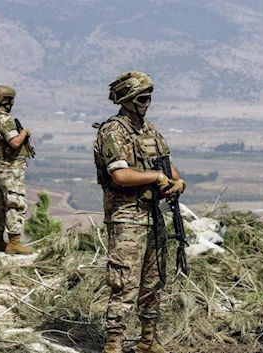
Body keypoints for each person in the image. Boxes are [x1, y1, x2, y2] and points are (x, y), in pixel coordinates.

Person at [94, 71, 186, 353]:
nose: (146, 103)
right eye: (141, 98)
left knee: (153, 280)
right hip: (127, 217)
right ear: (127, 99)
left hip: (152, 214)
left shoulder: (149, 131)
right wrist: (154, 178)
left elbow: (166, 165)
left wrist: (177, 182)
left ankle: (147, 339)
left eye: (148, 97)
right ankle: (114, 344)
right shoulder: (113, 131)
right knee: (124, 283)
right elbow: (120, 175)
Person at [0, 85, 35, 255]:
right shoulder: (4, 120)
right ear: (7, 101)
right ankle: (14, 242)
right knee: (15, 202)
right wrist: (24, 133)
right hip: (9, 168)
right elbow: (15, 143)